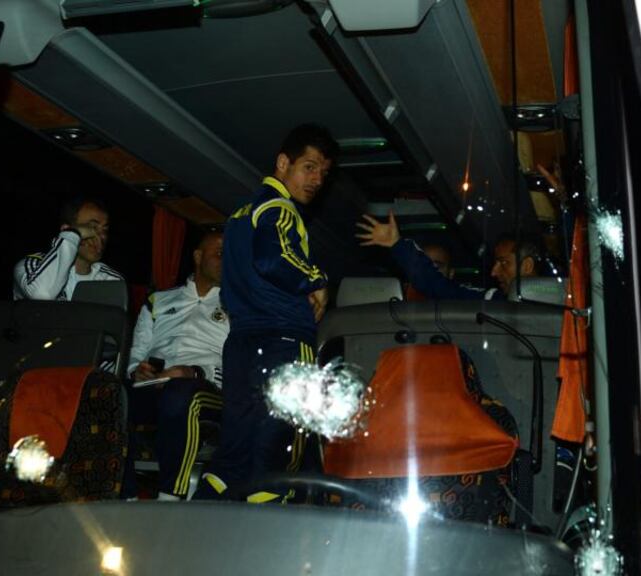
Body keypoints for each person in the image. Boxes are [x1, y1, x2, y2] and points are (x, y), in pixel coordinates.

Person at [194, 124, 337, 502]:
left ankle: (197, 530)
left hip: (241, 345)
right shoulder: (280, 208)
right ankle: (272, 550)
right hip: (283, 342)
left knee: (232, 458)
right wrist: (316, 278)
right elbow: (274, 259)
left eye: (323, 172)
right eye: (309, 167)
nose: (317, 179)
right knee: (277, 461)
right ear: (282, 163)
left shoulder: (240, 215)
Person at [126, 231, 228, 500]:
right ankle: (126, 495)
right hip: (156, 382)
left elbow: (239, 365)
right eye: (219, 253)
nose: (226, 259)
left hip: (208, 387)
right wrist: (137, 369)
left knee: (180, 394)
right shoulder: (158, 301)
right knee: (113, 396)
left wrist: (192, 372)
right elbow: (137, 353)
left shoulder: (238, 305)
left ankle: (172, 496)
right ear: (197, 257)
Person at [356, 211, 495, 300]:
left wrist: (397, 244)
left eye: (437, 265)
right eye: (424, 263)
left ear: (451, 273)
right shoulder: (396, 307)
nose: (430, 269)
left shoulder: (467, 303)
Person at [13, 196, 124, 301]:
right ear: (67, 231)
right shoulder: (32, 265)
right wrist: (72, 235)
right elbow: (42, 293)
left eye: (104, 230)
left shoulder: (110, 280)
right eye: (92, 227)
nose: (101, 237)